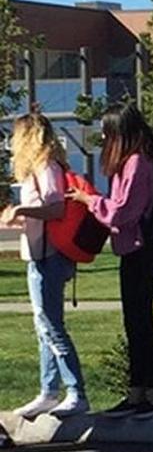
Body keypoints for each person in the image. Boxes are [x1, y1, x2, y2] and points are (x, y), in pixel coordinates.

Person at [68, 104, 153, 420]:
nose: (105, 138)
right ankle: (138, 390)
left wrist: (90, 201)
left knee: (141, 321)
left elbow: (123, 212)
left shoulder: (138, 163)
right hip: (129, 249)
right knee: (133, 321)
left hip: (141, 249)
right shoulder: (127, 164)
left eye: (109, 131)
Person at [3, 113, 88, 419]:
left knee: (52, 326)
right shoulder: (39, 169)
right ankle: (48, 391)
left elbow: (55, 208)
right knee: (43, 327)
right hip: (39, 254)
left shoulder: (46, 166)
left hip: (49, 256)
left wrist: (21, 209)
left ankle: (75, 391)